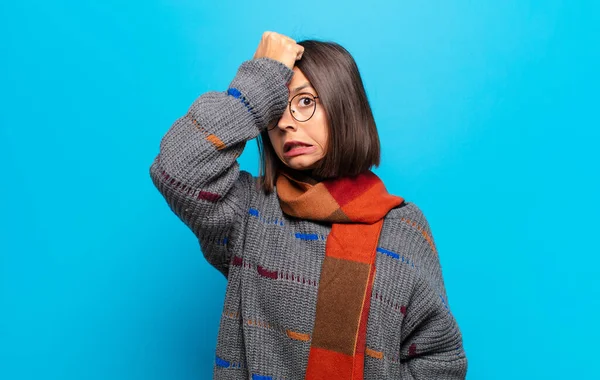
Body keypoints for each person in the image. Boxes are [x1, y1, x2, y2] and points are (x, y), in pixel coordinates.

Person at [150, 31, 467, 380]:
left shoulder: (402, 227)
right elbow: (177, 169)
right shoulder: (248, 213)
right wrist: (261, 79)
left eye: (304, 102)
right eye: (276, 110)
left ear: (342, 105)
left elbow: (440, 359)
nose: (285, 123)